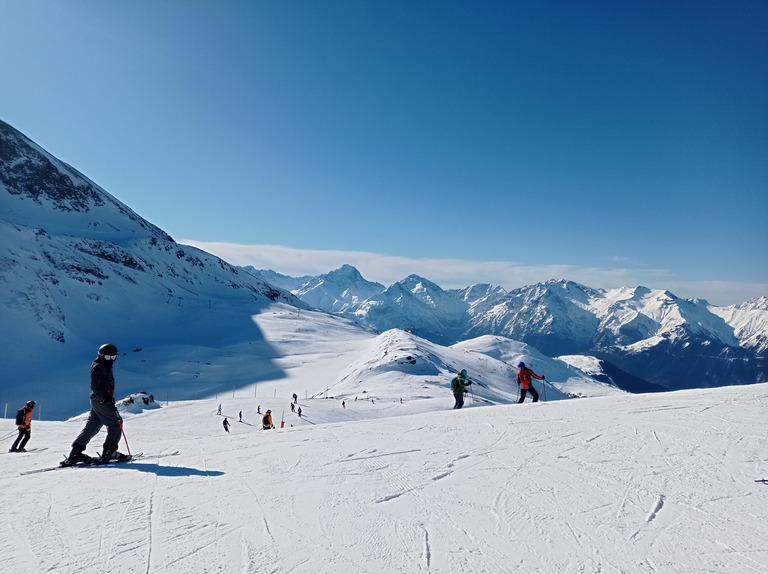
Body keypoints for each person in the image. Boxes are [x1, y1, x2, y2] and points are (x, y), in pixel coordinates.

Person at [63, 344, 129, 466]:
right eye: (108, 357)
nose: (111, 360)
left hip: (97, 400)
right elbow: (94, 385)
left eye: (113, 357)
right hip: (101, 401)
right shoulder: (99, 367)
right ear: (101, 355)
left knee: (92, 426)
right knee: (116, 423)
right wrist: (105, 398)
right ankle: (109, 451)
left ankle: (76, 453)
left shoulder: (103, 365)